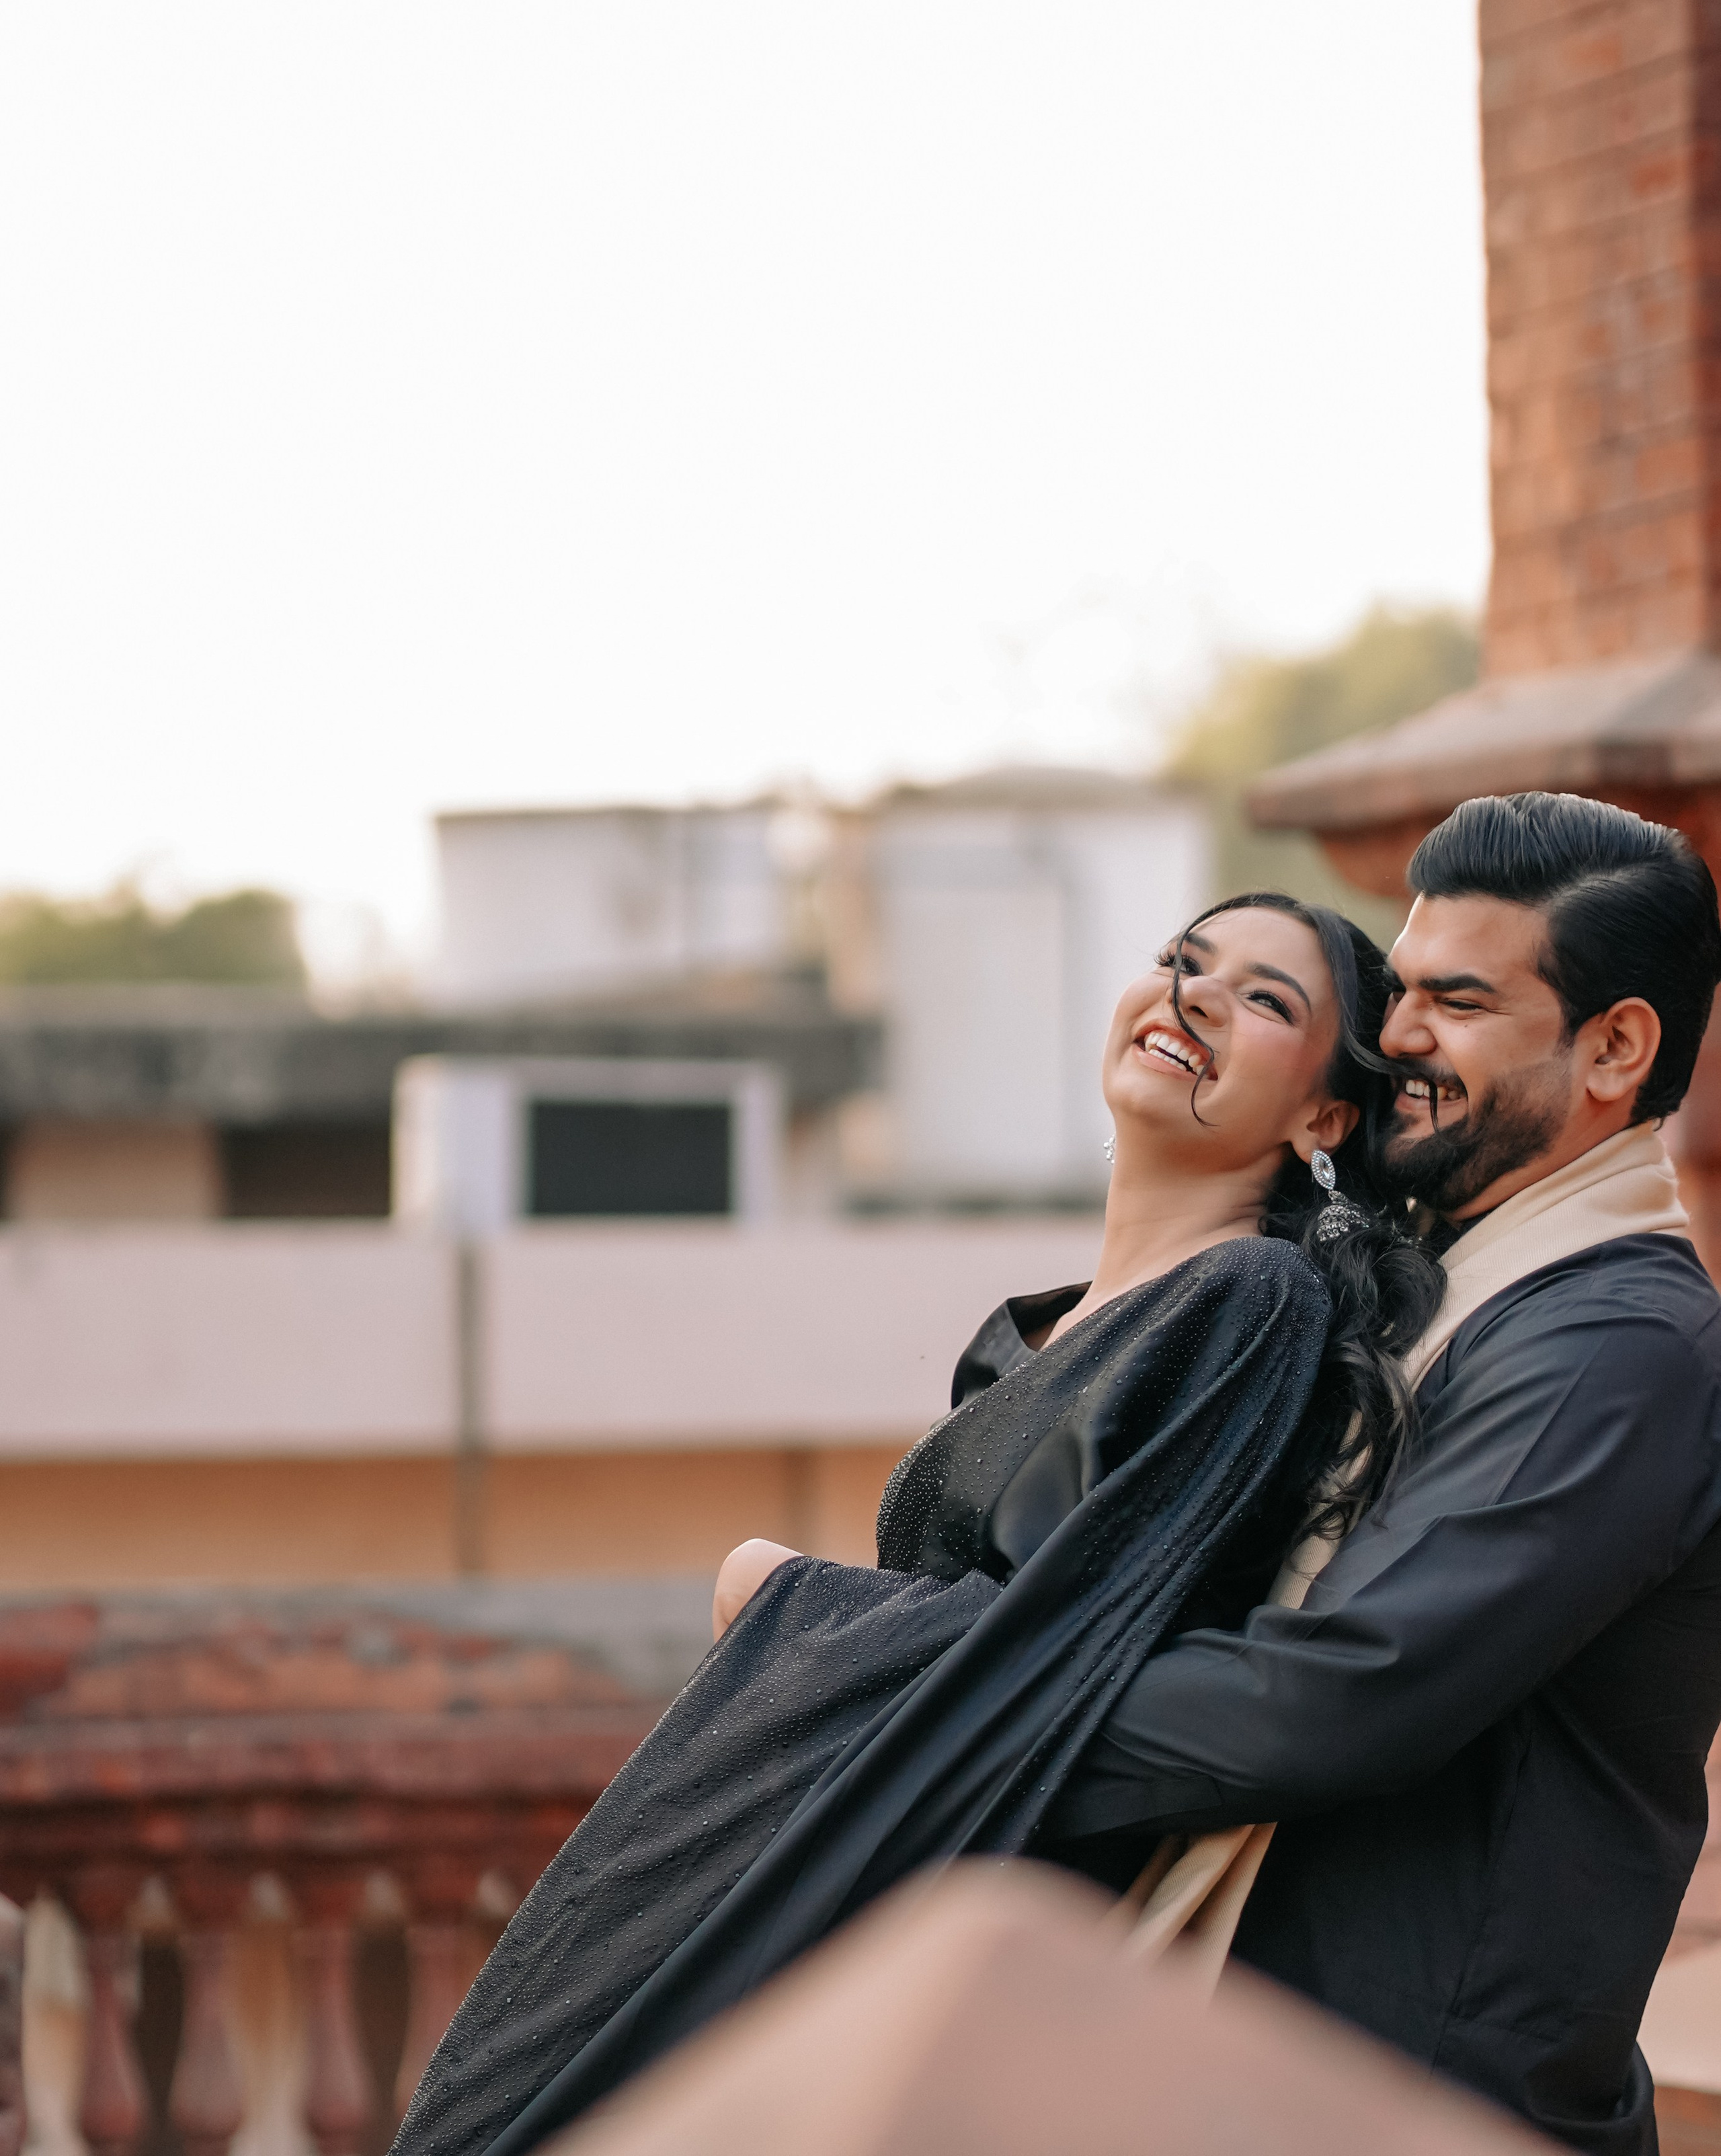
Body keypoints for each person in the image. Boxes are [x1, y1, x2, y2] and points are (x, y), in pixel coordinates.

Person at [393, 895, 1442, 2156]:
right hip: (850, 1850)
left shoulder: (1247, 1302)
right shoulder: (1044, 1331)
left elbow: (1063, 1640)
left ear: (1327, 1116)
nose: (1195, 994)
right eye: (1183, 961)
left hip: (944, 1899)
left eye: (1267, 998)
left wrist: (780, 1592)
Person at [1039, 792, 1721, 2156]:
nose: (1394, 1033)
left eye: (1456, 1000)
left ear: (1614, 1046)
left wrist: (926, 1709)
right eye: (1397, 987)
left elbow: (1333, 1696)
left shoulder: (1617, 1346)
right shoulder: (1422, 1276)